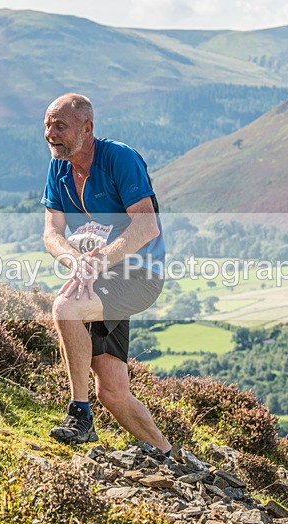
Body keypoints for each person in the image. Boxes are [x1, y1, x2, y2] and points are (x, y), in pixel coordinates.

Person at [40, 93, 172, 456]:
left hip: (139, 273)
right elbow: (51, 233)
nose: (51, 133)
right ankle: (167, 454)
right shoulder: (59, 166)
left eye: (60, 126)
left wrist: (100, 260)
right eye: (47, 125)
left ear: (88, 128)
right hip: (98, 276)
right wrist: (74, 259)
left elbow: (147, 228)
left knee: (65, 308)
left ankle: (79, 417)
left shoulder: (119, 159)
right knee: (112, 392)